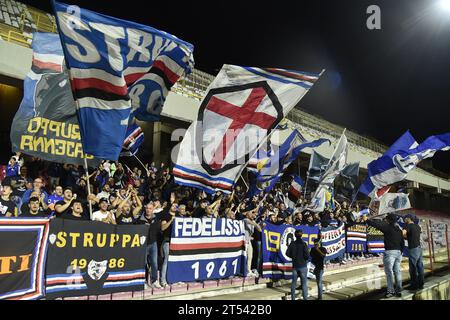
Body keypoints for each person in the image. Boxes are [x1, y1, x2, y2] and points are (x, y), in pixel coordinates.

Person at [363, 213, 405, 298]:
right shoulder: (399, 230)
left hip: (390, 253)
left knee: (389, 272)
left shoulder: (387, 227)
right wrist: (401, 252)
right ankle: (399, 290)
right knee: (397, 271)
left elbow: (376, 225)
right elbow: (402, 242)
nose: (385, 220)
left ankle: (390, 291)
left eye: (386, 219)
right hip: (398, 253)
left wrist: (366, 220)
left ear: (389, 220)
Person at [139, 203, 162, 288]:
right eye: (147, 208)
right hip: (143, 244)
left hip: (153, 243)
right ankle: (144, 281)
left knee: (154, 263)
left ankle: (154, 281)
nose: (148, 210)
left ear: (153, 209)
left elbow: (159, 230)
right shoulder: (140, 219)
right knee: (143, 264)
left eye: (150, 208)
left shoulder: (156, 218)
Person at [286, 229, 310, 300]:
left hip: (295, 266)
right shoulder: (304, 244)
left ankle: (293, 298)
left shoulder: (292, 243)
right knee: (304, 284)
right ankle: (305, 298)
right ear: (301, 235)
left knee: (293, 283)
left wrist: (293, 257)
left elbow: (287, 253)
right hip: (302, 266)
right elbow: (307, 256)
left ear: (295, 236)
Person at [403, 213, 424, 291]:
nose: (404, 219)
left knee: (412, 268)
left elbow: (403, 233)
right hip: (419, 248)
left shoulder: (408, 226)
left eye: (405, 218)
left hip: (413, 249)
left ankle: (414, 286)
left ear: (409, 218)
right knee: (420, 267)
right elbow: (412, 236)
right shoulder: (417, 226)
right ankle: (421, 284)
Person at [160, 200, 178, 287]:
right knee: (166, 261)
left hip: (176, 242)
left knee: (175, 261)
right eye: (173, 205)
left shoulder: (178, 216)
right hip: (167, 242)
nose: (175, 207)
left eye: (176, 206)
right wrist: (171, 220)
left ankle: (173, 279)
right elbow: (163, 228)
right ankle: (163, 280)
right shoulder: (165, 215)